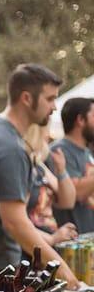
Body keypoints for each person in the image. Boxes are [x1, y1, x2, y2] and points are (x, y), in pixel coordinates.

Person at [0, 63, 79, 289]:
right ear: (27, 98)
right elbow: (15, 223)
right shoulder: (10, 147)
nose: (54, 107)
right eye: (49, 99)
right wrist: (66, 275)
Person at [22, 123, 77, 253]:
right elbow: (16, 222)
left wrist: (61, 170)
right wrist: (52, 238)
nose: (48, 135)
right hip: (30, 250)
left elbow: (68, 201)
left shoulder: (38, 164)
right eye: (46, 130)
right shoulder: (21, 165)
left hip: (45, 246)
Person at [50, 98, 94, 234]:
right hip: (70, 244)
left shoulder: (87, 152)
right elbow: (75, 192)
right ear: (80, 120)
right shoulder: (58, 151)